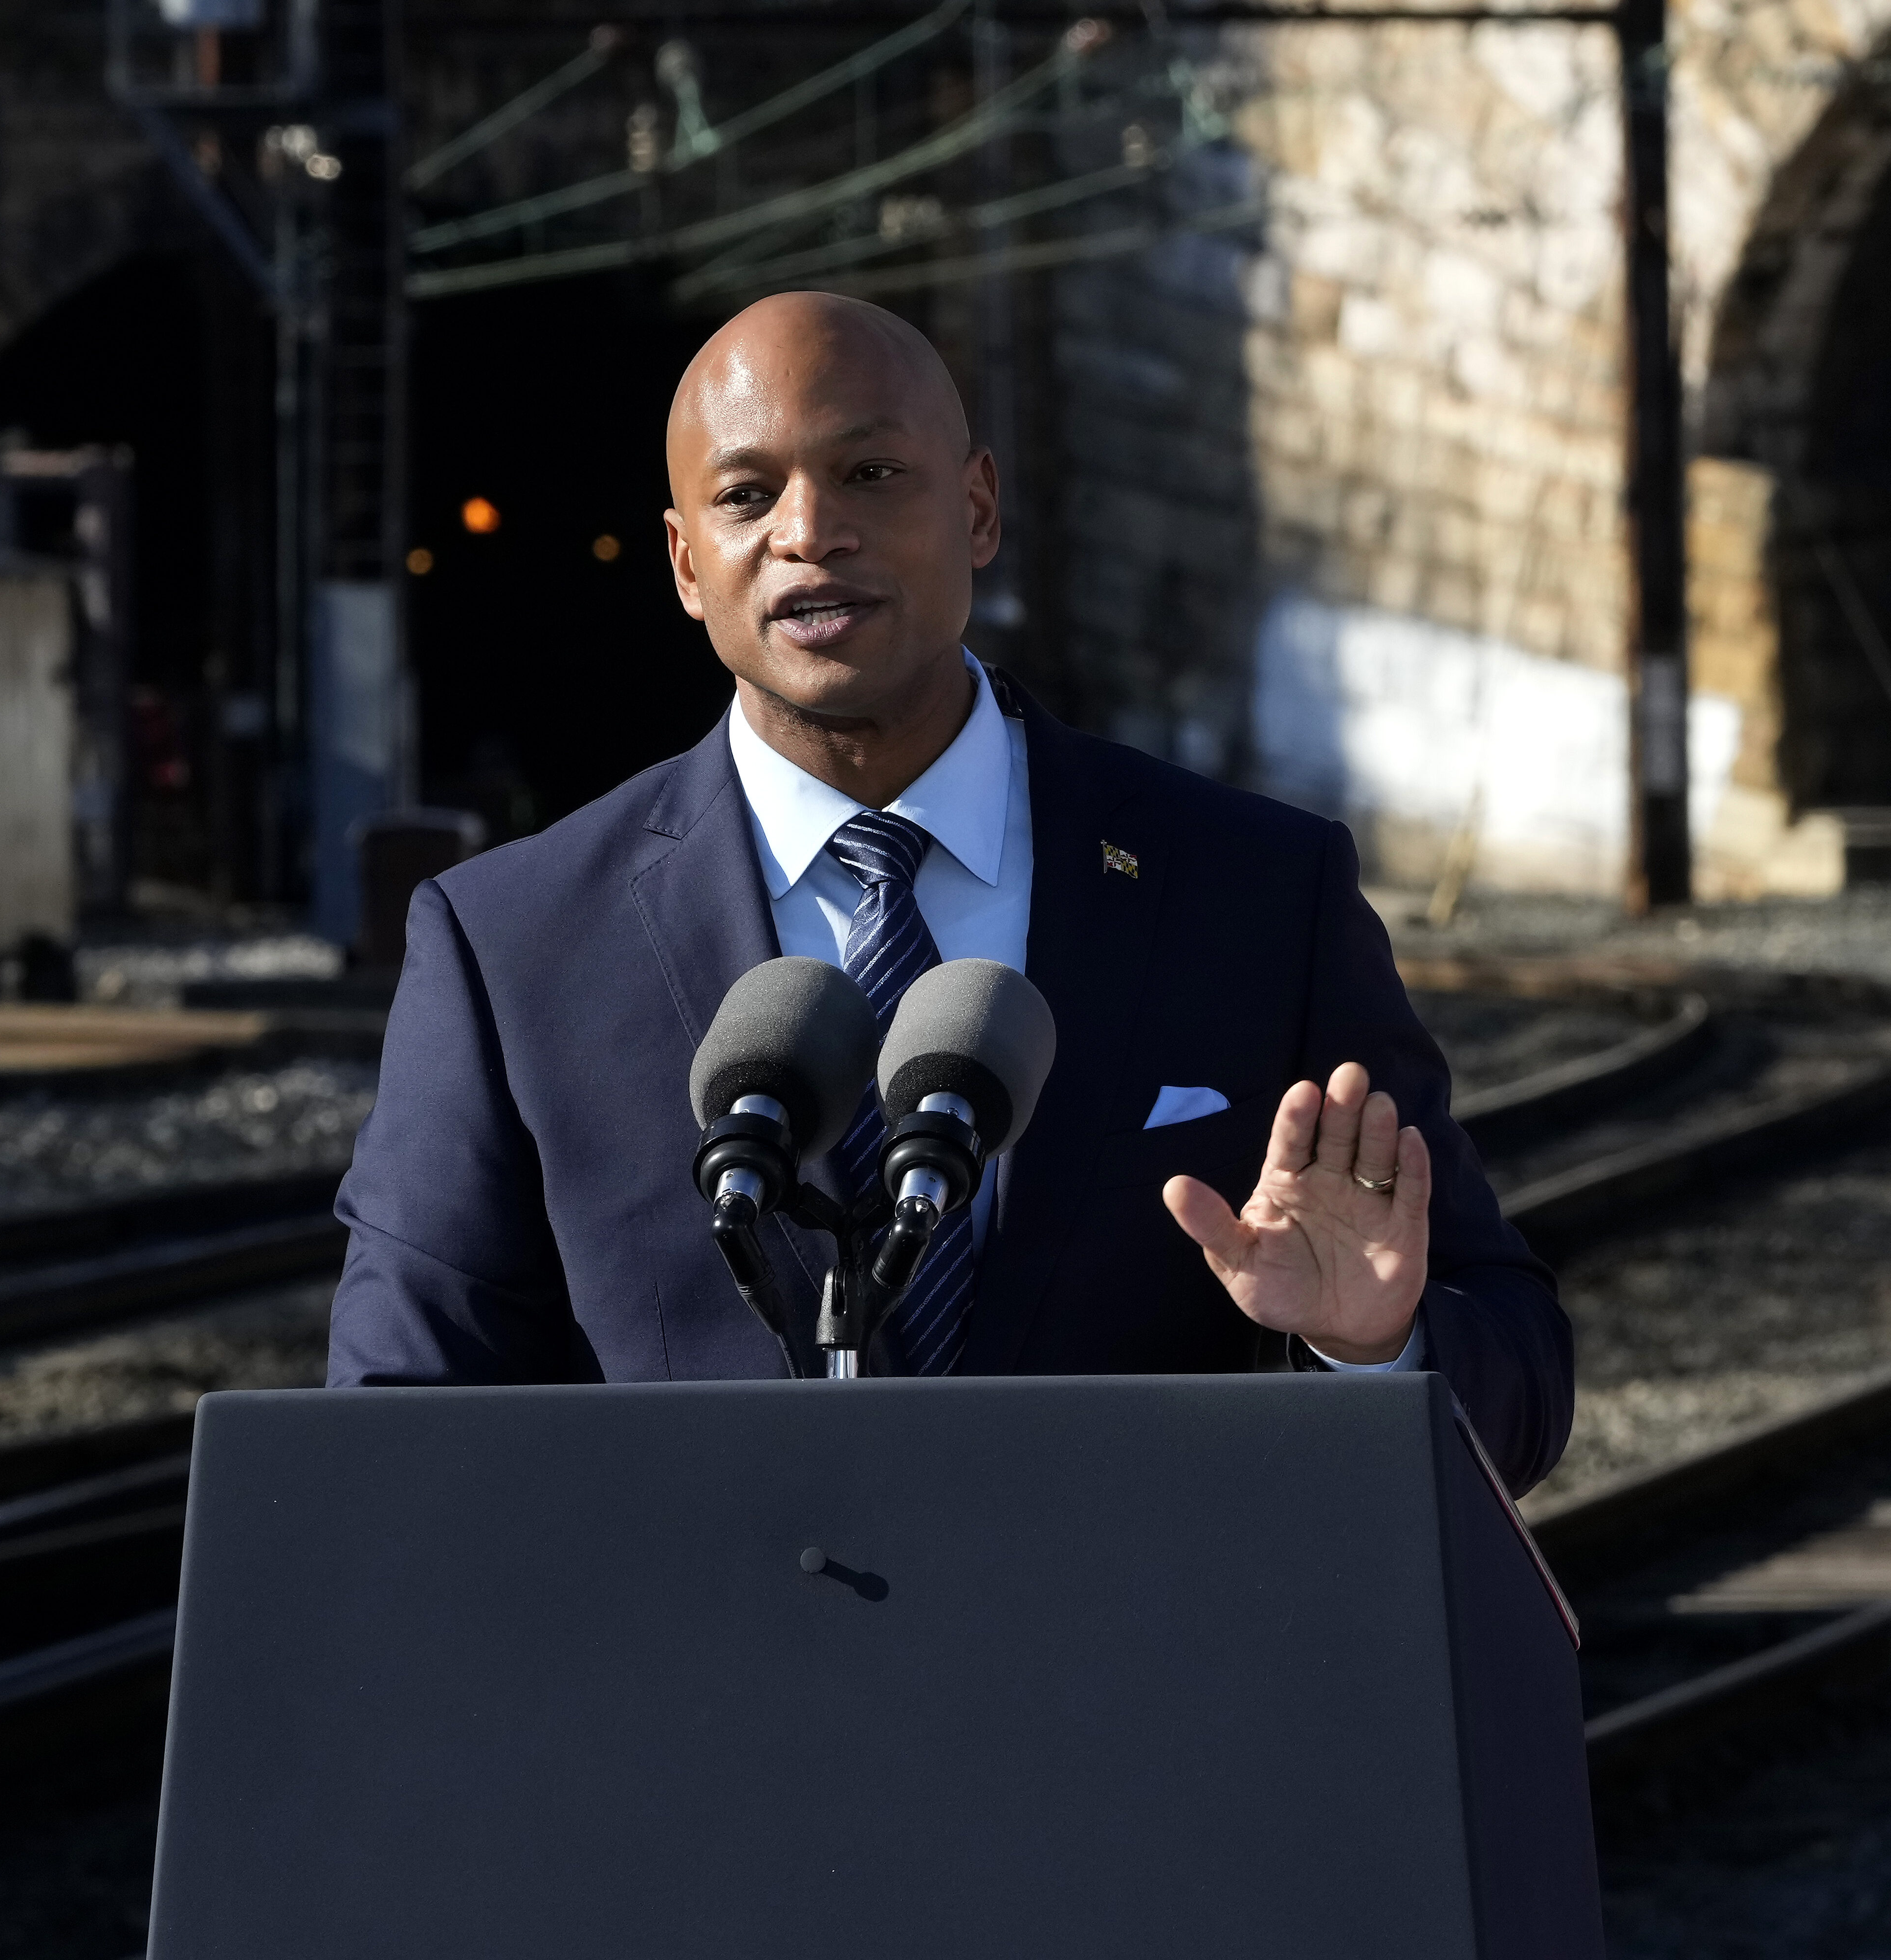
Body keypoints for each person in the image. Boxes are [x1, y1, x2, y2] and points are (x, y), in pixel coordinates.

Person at [326, 292, 1573, 1490]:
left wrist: (1370, 1347)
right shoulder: (511, 945)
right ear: (685, 562)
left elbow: (1514, 1368)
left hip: (1135, 1694)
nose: (809, 530)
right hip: (692, 1694)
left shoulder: (1255, 892)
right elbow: (395, 1435)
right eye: (747, 495)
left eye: (869, 475)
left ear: (977, 509)